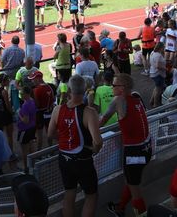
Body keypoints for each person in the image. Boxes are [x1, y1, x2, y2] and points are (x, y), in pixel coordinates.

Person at [48, 75, 103, 217]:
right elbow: (97, 142)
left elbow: (50, 134)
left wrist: (65, 140)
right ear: (85, 90)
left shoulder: (57, 110)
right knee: (91, 195)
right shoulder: (89, 112)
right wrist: (94, 150)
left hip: (64, 158)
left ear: (69, 90)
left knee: (69, 193)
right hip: (83, 160)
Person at [101, 74, 152, 217]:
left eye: (114, 85)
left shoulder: (118, 100)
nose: (112, 87)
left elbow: (102, 122)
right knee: (131, 182)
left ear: (122, 89)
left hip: (134, 153)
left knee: (135, 190)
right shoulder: (137, 98)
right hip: (146, 148)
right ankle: (120, 208)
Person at [149, 42, 166, 108]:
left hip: (153, 73)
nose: (164, 49)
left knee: (156, 88)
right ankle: (155, 104)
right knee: (159, 89)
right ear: (161, 48)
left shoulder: (152, 53)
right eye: (163, 48)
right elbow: (158, 66)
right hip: (158, 74)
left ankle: (152, 101)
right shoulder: (158, 55)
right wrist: (166, 68)